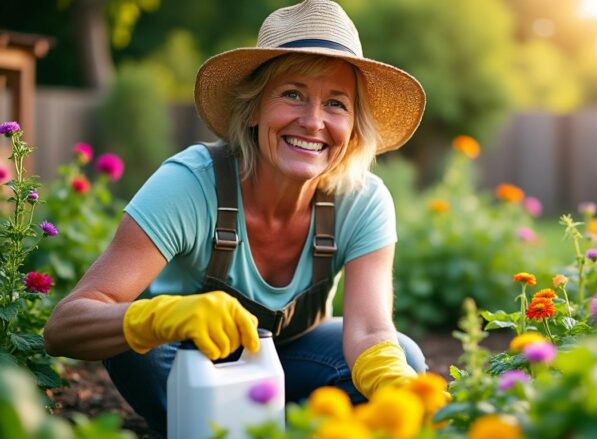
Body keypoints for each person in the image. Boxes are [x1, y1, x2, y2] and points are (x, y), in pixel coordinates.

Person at [43, 0, 428, 435]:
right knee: (137, 346)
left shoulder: (362, 200)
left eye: (336, 104)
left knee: (403, 357)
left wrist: (398, 387)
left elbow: (370, 331)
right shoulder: (190, 184)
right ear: (254, 108)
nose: (313, 121)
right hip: (190, 365)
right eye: (293, 94)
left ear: (354, 125)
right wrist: (162, 316)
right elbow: (63, 328)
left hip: (289, 364)